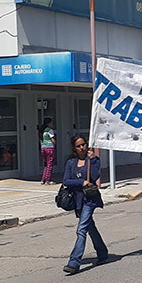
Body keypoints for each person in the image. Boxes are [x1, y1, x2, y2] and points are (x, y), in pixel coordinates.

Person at [62, 134, 107, 274]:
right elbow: (66, 181)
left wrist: (93, 160)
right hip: (78, 200)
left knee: (81, 229)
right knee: (90, 227)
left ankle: (74, 262)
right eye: (78, 146)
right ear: (74, 149)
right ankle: (103, 252)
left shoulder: (92, 160)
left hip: (89, 200)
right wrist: (81, 182)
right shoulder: (71, 163)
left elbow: (95, 176)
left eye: (83, 144)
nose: (82, 148)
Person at [39, 117, 56, 185]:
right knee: (50, 164)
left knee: (46, 164)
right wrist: (55, 143)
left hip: (43, 148)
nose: (52, 124)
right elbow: (52, 139)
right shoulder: (50, 130)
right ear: (48, 123)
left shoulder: (42, 131)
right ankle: (48, 179)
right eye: (51, 123)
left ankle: (43, 178)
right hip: (49, 148)